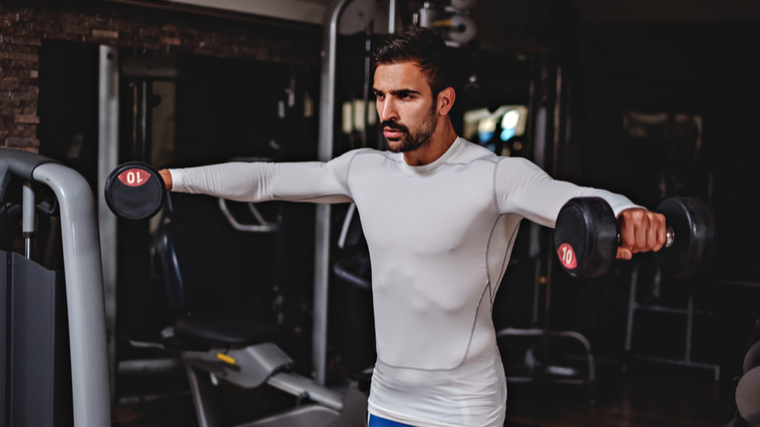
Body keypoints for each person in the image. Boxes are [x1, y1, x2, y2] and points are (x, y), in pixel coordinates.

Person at [159, 26, 666, 427]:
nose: (387, 112)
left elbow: (569, 198)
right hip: (389, 395)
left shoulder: (495, 177)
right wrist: (169, 179)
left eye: (405, 96)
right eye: (380, 96)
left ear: (444, 101)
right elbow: (266, 178)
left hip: (463, 404)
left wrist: (625, 213)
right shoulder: (365, 169)